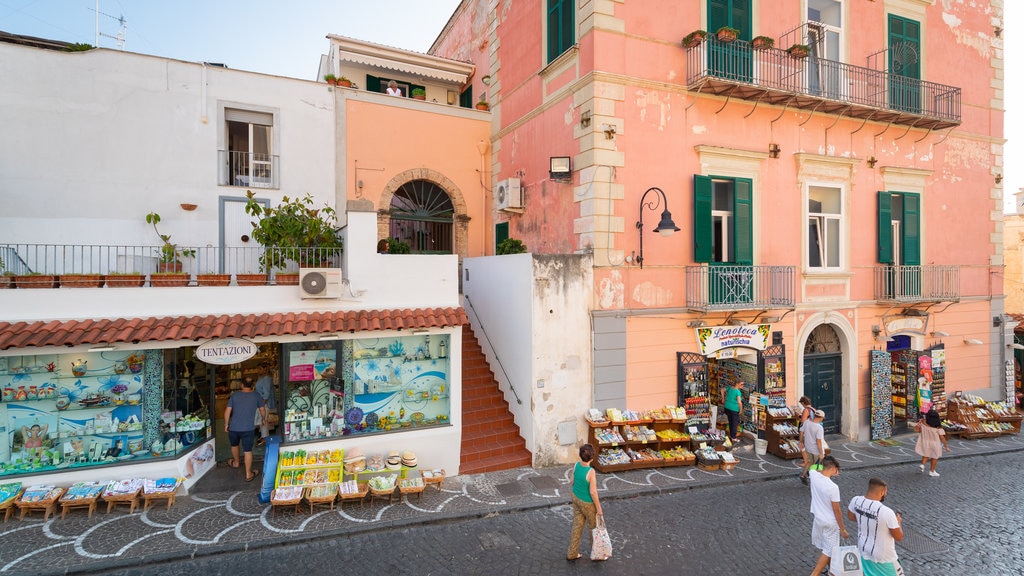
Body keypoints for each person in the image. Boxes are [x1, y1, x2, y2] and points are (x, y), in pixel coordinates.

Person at [847, 477, 905, 576]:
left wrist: (867, 520)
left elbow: (851, 516)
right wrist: (898, 522)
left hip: (864, 551)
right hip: (884, 558)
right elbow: (898, 537)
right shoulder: (886, 512)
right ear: (882, 492)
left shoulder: (855, 500)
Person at [808, 455, 849, 576]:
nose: (837, 472)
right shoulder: (833, 487)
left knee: (828, 548)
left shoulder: (814, 475)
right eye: (837, 469)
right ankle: (814, 574)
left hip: (818, 519)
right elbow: (837, 510)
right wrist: (843, 529)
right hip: (831, 522)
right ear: (832, 469)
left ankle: (833, 571)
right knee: (828, 550)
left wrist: (820, 466)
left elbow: (812, 466)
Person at [566, 443, 606, 561]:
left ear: (580, 455)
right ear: (592, 459)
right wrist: (599, 509)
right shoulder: (591, 472)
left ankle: (572, 553)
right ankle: (598, 554)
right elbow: (593, 492)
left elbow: (571, 481)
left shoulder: (576, 465)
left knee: (577, 526)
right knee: (594, 528)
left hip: (575, 497)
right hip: (587, 503)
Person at [224, 378, 266, 481]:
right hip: (248, 428)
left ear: (242, 385)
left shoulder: (235, 395)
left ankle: (236, 462)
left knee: (234, 445)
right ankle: (248, 474)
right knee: (247, 450)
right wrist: (263, 419)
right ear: (252, 385)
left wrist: (226, 424)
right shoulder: (256, 395)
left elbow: (227, 411)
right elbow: (262, 409)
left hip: (234, 427)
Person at [914, 408, 949, 476]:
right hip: (935, 443)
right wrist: (946, 447)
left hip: (925, 442)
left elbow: (917, 430)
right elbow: (942, 438)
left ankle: (922, 465)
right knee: (934, 457)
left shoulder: (923, 423)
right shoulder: (938, 427)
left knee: (926, 454)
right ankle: (932, 471)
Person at [800, 409, 826, 485]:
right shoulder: (819, 428)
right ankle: (817, 481)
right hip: (816, 450)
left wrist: (801, 442)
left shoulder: (807, 422)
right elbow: (818, 441)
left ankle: (803, 475)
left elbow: (801, 432)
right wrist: (821, 453)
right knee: (818, 466)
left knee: (809, 462)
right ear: (821, 418)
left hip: (808, 447)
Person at [254, 364, 276, 446]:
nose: (258, 370)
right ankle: (264, 436)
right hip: (260, 402)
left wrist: (262, 404)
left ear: (265, 369)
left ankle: (265, 438)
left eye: (260, 369)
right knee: (262, 421)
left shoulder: (266, 379)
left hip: (264, 403)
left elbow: (266, 393)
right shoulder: (261, 378)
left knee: (263, 420)